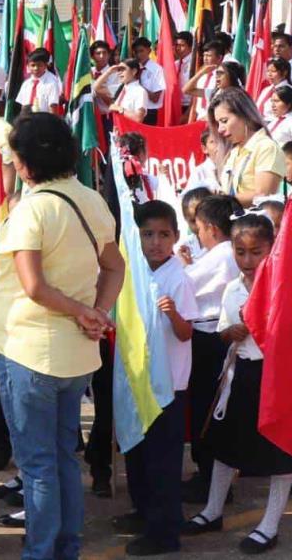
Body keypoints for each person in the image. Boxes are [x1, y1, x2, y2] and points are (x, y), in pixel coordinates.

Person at [0, 113, 124, 560]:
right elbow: (114, 266)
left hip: (28, 350)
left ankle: (41, 553)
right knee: (61, 460)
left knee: (38, 466)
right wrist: (97, 312)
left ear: (25, 162)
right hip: (76, 352)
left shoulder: (32, 209)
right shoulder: (91, 199)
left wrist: (85, 311)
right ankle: (65, 549)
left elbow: (34, 287)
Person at [183, 214, 292, 555]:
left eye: (257, 252)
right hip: (243, 374)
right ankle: (212, 510)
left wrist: (272, 320)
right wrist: (233, 332)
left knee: (278, 452)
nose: (248, 260)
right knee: (225, 447)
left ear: (272, 251)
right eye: (241, 252)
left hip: (276, 377)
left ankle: (269, 525)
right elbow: (223, 331)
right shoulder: (232, 288)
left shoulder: (282, 289)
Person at [116, 200, 197, 556]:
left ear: (176, 237)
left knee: (162, 460)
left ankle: (164, 531)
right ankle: (145, 512)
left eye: (164, 235)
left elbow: (186, 333)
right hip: (139, 378)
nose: (155, 242)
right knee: (137, 449)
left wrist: (174, 314)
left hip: (169, 386)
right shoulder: (133, 270)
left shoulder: (177, 276)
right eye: (148, 234)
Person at [181, 194, 239, 502]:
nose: (197, 233)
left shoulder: (223, 254)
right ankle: (210, 475)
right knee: (208, 407)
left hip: (211, 335)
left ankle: (212, 480)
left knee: (207, 407)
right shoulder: (225, 252)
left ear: (213, 228)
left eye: (199, 227)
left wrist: (179, 267)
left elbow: (186, 283)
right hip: (213, 333)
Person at [211, 88, 283, 207]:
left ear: (244, 115)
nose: (220, 129)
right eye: (218, 123)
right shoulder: (234, 152)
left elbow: (263, 195)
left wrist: (222, 200)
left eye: (224, 121)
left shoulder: (266, 147)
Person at [99, 59, 149, 123]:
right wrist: (108, 72)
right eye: (119, 70)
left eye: (123, 69)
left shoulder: (140, 92)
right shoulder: (120, 88)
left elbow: (138, 118)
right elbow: (97, 88)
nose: (119, 73)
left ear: (134, 71)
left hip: (130, 131)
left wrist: (120, 109)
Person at [15, 49, 62, 114]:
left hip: (43, 120)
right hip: (28, 119)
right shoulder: (26, 84)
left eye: (39, 65)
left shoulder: (51, 82)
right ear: (28, 66)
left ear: (45, 65)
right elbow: (23, 106)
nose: (36, 68)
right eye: (33, 65)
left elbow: (53, 106)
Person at [132, 37, 165, 125]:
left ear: (149, 51)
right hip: (134, 110)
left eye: (141, 51)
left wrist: (137, 85)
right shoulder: (133, 69)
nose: (139, 55)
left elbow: (155, 98)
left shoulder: (157, 70)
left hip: (150, 112)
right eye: (136, 52)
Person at [255, 57, 292, 122]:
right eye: (268, 71)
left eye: (273, 71)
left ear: (284, 72)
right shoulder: (266, 90)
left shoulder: (288, 91)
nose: (269, 74)